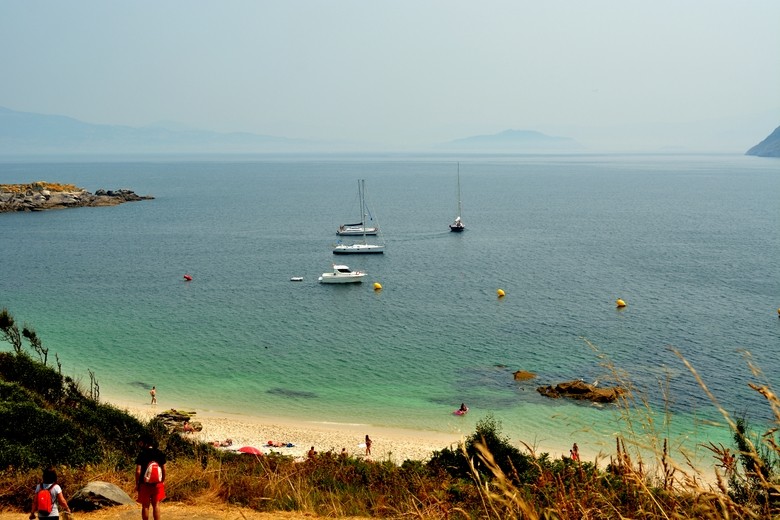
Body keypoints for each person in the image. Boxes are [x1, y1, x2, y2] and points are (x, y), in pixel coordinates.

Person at [135, 434, 167, 520]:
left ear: (145, 443)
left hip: (144, 484)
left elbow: (138, 471)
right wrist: (162, 481)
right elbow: (164, 469)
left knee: (145, 506)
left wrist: (137, 484)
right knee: (156, 505)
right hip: (157, 484)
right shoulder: (159, 453)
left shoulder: (142, 454)